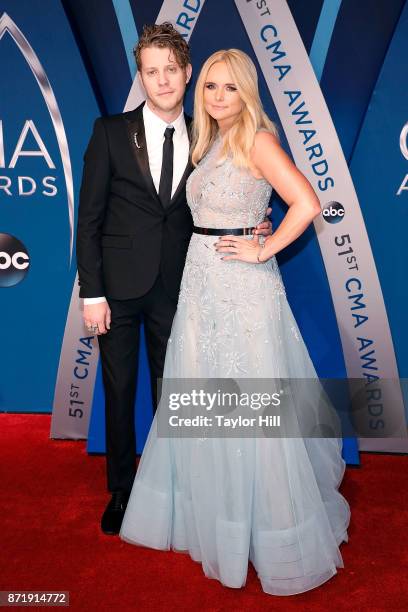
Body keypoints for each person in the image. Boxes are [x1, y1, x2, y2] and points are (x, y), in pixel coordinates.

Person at [119, 49, 351, 596]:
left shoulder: (259, 141)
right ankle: (216, 524)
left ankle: (270, 534)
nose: (218, 98)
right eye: (210, 88)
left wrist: (263, 246)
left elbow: (307, 202)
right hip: (199, 287)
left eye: (229, 89)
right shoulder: (210, 142)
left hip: (243, 293)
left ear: (247, 92)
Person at [76, 25, 272, 536]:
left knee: (178, 394)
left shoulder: (207, 134)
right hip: (116, 290)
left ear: (187, 73)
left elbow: (226, 196)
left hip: (182, 286)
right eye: (151, 71)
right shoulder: (110, 132)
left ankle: (180, 490)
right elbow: (89, 219)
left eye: (171, 70)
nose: (162, 80)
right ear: (141, 77)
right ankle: (121, 490)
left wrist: (257, 226)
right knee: (120, 392)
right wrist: (91, 292)